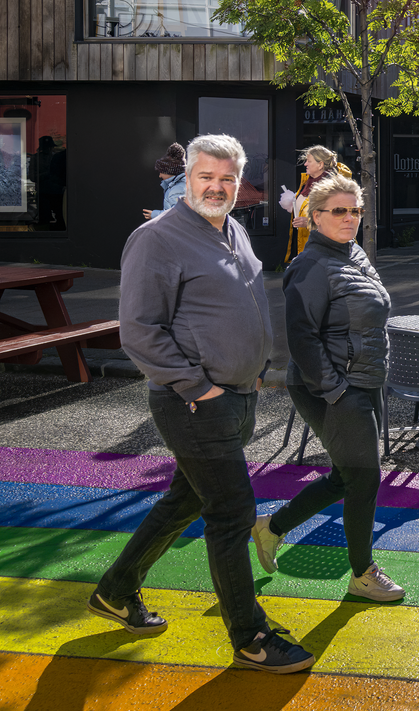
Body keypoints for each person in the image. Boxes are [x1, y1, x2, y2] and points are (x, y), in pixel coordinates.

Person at [89, 134, 314, 674]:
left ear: (240, 182)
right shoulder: (157, 239)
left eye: (227, 178)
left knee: (182, 503)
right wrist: (199, 387)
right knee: (232, 512)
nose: (217, 187)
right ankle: (250, 635)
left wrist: (253, 368)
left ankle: (116, 592)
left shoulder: (232, 227)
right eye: (205, 177)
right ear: (184, 178)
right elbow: (140, 331)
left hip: (237, 396)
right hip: (193, 402)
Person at [252, 174, 401, 602]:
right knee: (364, 479)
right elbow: (301, 338)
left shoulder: (353, 254)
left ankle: (271, 527)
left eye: (355, 210)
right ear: (314, 217)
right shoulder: (310, 265)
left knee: (344, 476)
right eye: (339, 210)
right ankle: (362, 573)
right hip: (332, 387)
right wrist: (335, 390)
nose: (350, 218)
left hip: (364, 379)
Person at [281, 145, 350, 265]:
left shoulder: (333, 187)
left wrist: (308, 223)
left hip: (326, 252)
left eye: (309, 161)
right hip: (307, 249)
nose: (305, 164)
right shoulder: (307, 183)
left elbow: (339, 219)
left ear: (320, 164)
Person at [143, 142, 186, 221]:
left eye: (161, 172)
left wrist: (154, 215)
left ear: (169, 172)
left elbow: (176, 216)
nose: (160, 176)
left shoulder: (176, 190)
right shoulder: (179, 186)